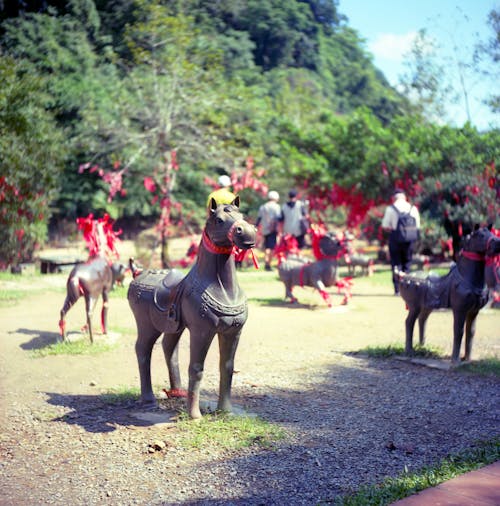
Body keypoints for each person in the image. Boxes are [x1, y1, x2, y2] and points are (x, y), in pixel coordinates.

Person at [381, 188, 421, 295]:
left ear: (394, 198)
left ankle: (397, 289)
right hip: (409, 240)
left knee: (396, 263)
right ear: (405, 197)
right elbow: (417, 226)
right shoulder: (413, 208)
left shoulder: (391, 209)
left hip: (395, 239)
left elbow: (385, 226)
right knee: (407, 263)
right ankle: (407, 288)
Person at [255, 191, 282, 271]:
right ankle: (268, 264)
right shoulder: (276, 207)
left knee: (267, 246)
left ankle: (267, 263)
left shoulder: (263, 207)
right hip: (273, 229)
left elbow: (259, 218)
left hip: (265, 230)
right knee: (271, 248)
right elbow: (278, 218)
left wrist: (255, 227)